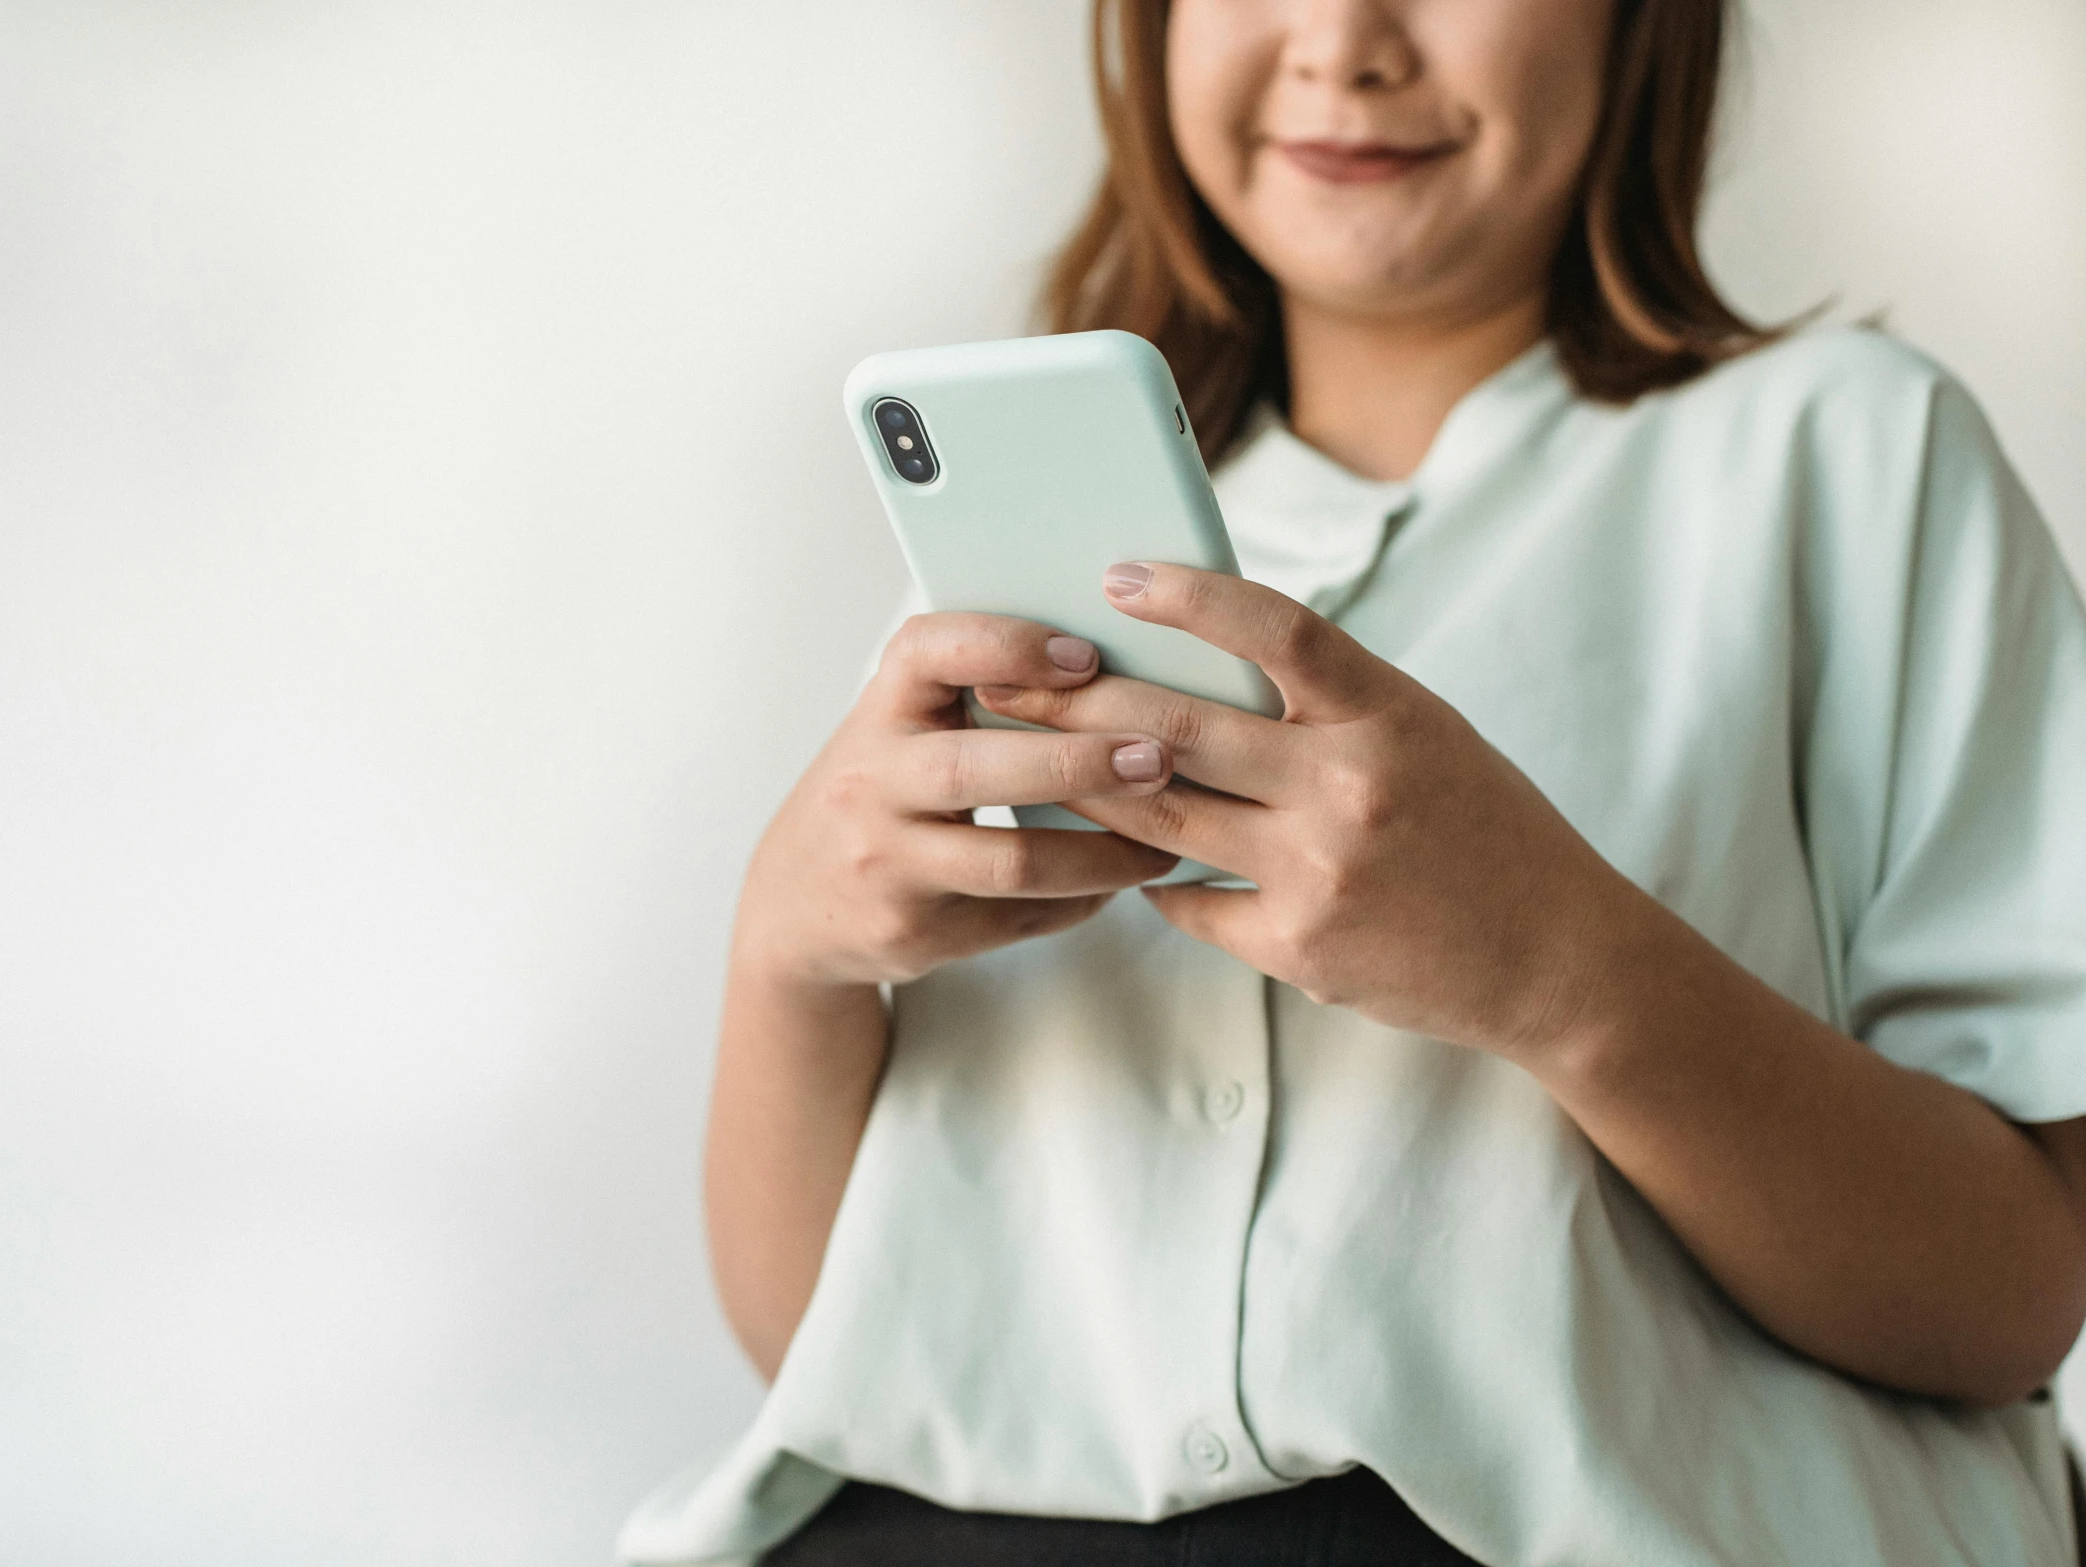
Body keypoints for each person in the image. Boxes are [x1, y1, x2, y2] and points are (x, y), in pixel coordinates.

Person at [621, 0, 2086, 1562]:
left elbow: (2015, 1296)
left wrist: (1554, 965)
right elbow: (829, 1354)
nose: (1341, 40)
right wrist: (785, 954)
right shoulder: (1000, 569)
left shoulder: (1845, 455)